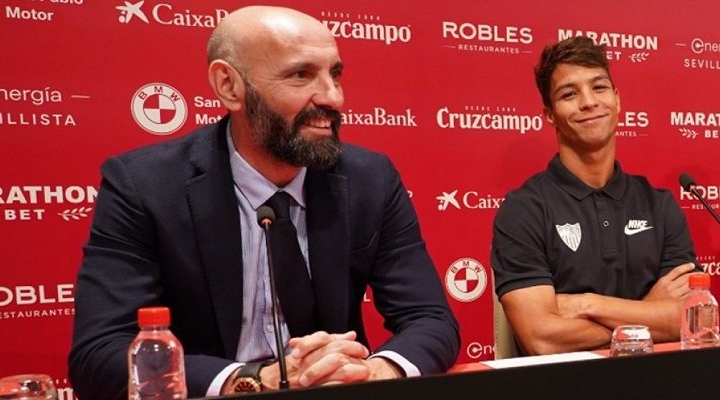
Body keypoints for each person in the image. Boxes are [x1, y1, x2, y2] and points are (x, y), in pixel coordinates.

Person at [68, 6, 459, 399]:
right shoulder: (144, 185)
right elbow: (100, 354)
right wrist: (258, 380)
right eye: (301, 74)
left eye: (335, 73)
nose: (333, 97)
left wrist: (376, 371)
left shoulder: (369, 177)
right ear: (229, 86)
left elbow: (430, 318)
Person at [491, 36, 697, 355]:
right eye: (569, 93)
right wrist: (648, 314)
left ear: (617, 99)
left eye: (599, 87)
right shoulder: (524, 209)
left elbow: (685, 321)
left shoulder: (661, 205)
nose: (589, 102)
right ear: (549, 114)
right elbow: (542, 338)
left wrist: (587, 304)